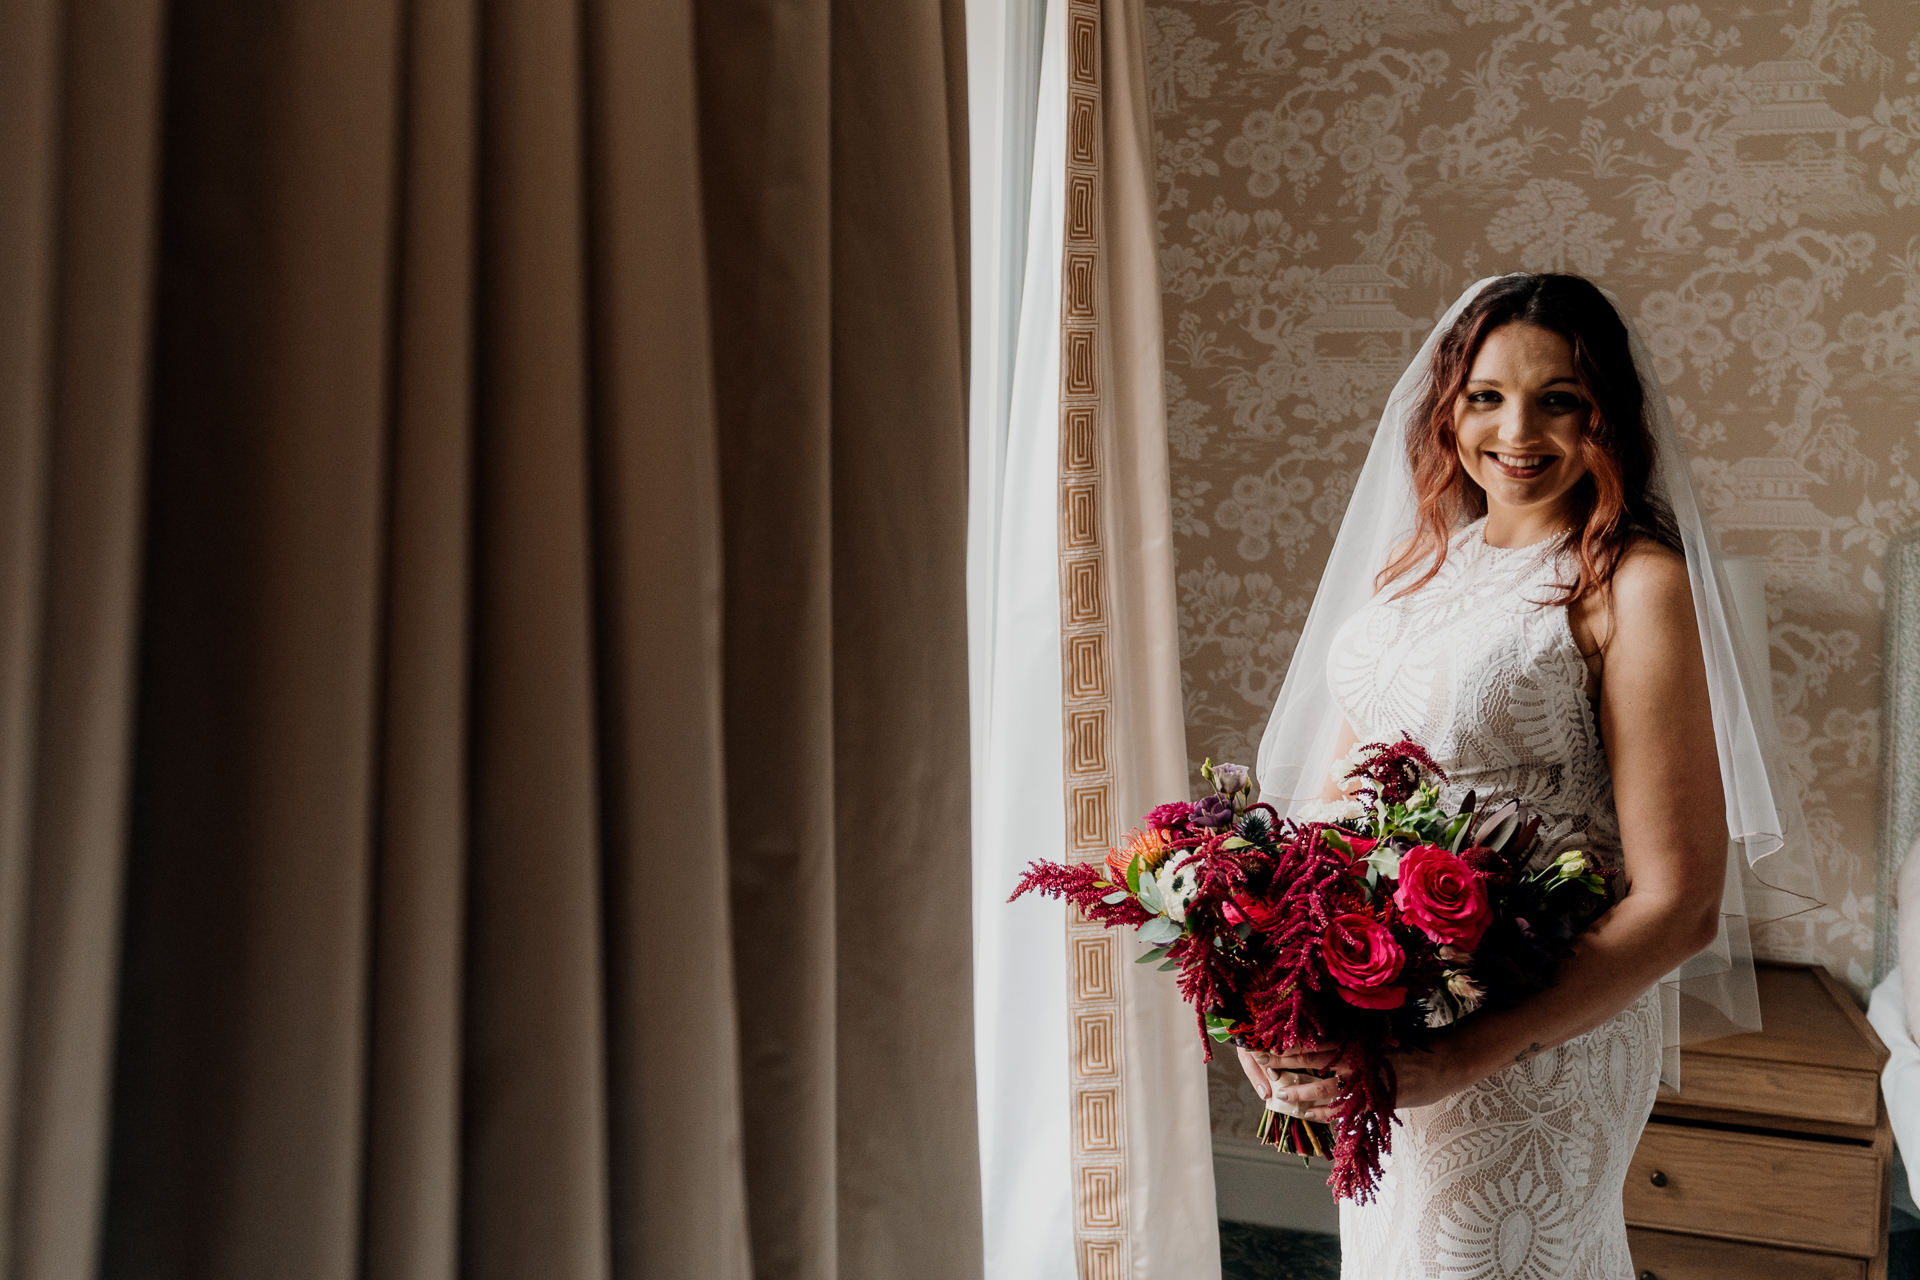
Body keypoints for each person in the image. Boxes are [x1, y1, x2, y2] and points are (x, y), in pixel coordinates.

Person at [1233, 273, 1816, 1277]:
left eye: (1560, 399)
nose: (1518, 429)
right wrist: (1280, 1010)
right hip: (1395, 1026)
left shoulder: (1632, 583)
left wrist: (1466, 1051)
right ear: (1447, 407)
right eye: (1488, 395)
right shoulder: (1416, 574)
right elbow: (1331, 824)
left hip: (1530, 1043)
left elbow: (1681, 903)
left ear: (1607, 418)